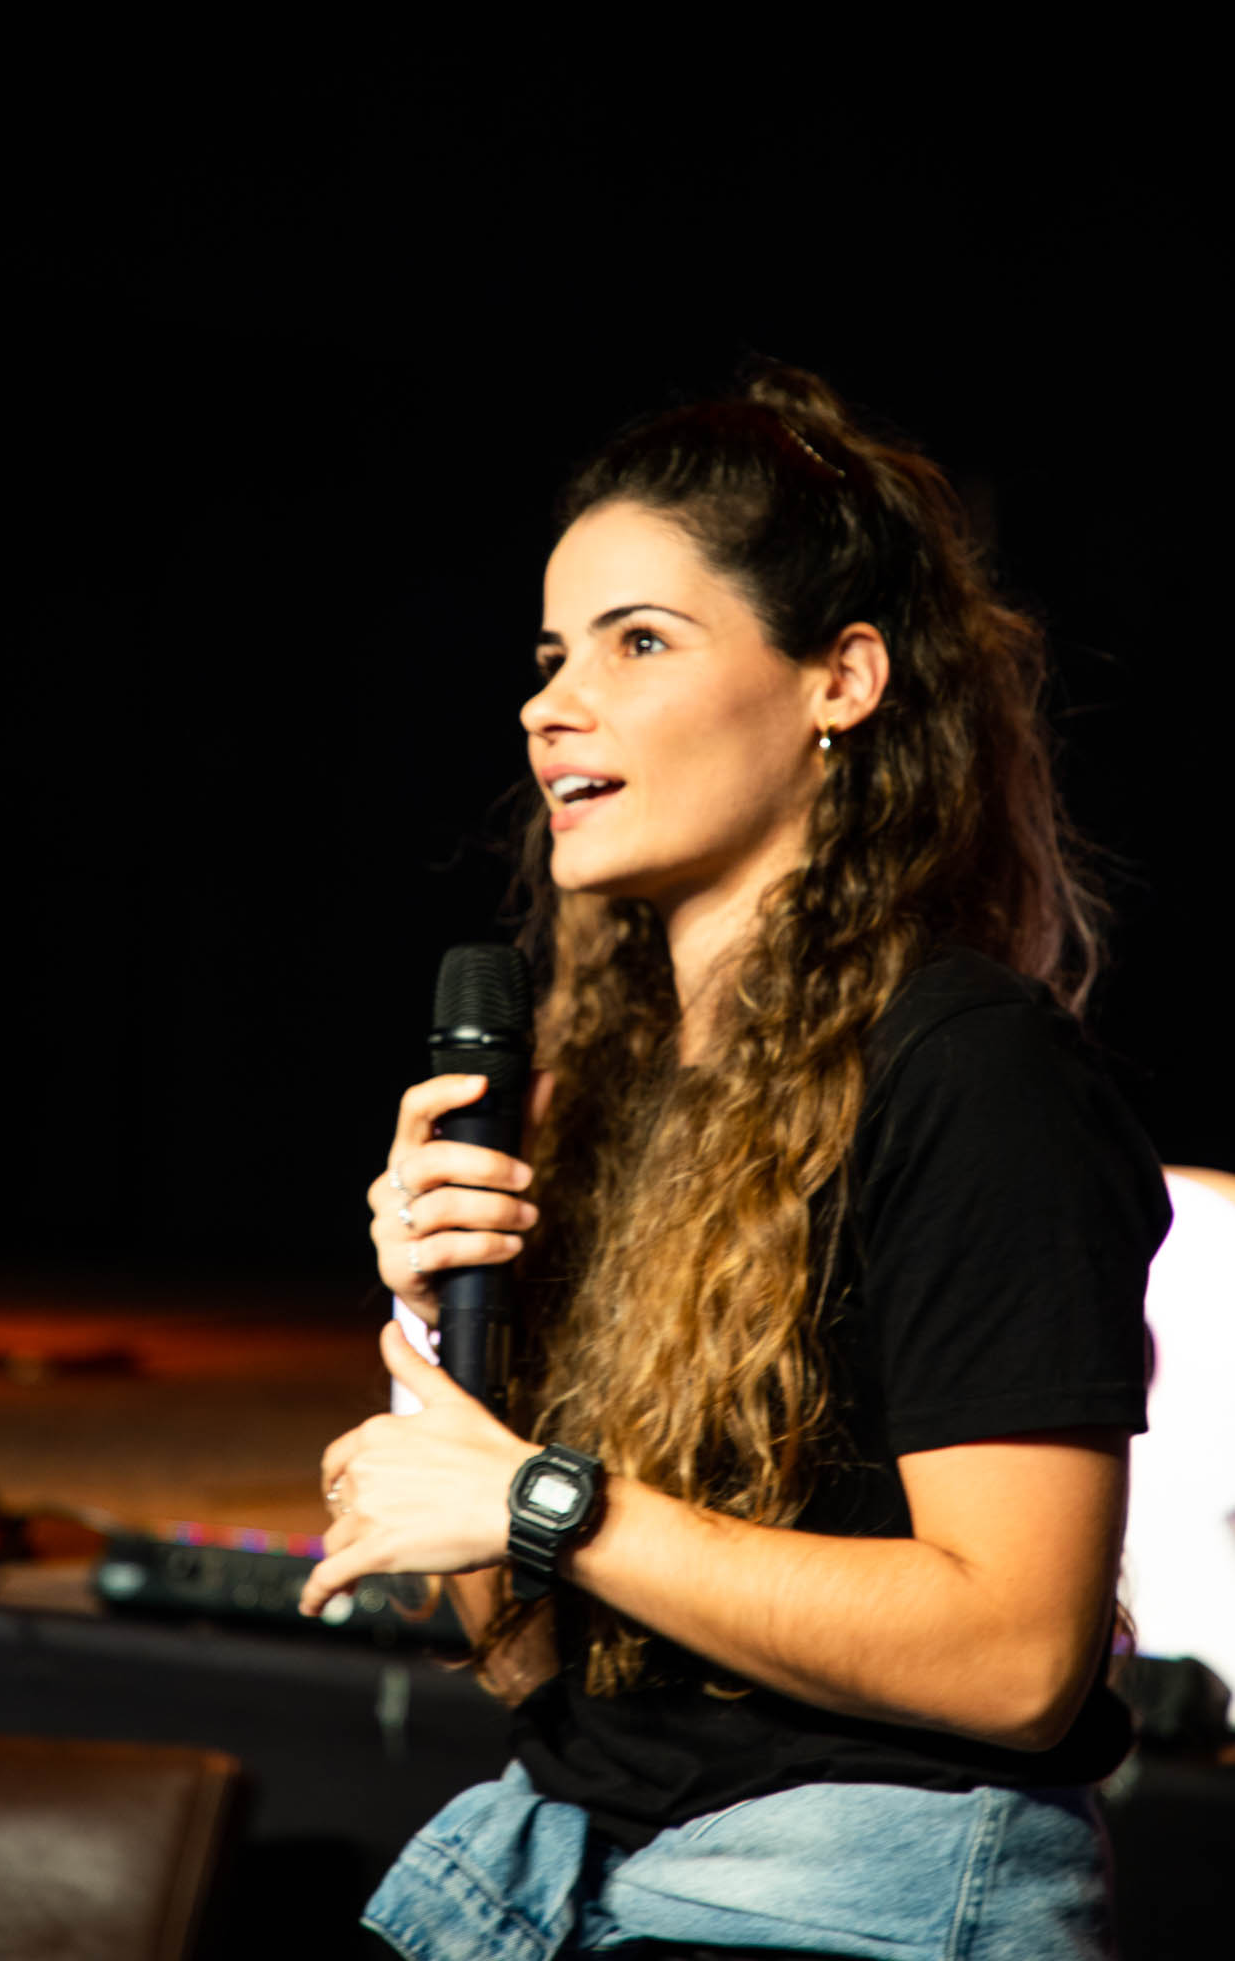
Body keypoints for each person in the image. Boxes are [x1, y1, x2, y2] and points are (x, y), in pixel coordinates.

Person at [299, 360, 1172, 1960]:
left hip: (860, 1890)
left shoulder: (971, 1073)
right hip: (568, 1861)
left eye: (638, 643)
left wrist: (543, 1498)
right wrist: (441, 1319)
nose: (551, 704)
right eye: (552, 656)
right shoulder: (604, 1093)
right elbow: (524, 1649)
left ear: (839, 679)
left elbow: (1015, 1658)